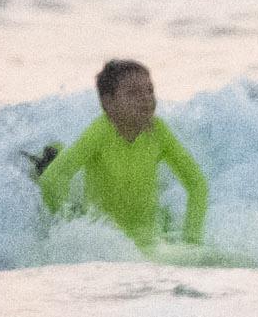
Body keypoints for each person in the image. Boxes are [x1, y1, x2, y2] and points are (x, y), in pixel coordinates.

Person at [38, 58, 210, 253]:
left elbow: (197, 184)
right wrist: (73, 230)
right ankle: (50, 158)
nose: (146, 98)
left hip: (149, 240)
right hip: (107, 242)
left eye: (149, 90)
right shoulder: (101, 131)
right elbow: (52, 179)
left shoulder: (158, 131)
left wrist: (191, 241)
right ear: (108, 102)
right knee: (55, 171)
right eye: (133, 93)